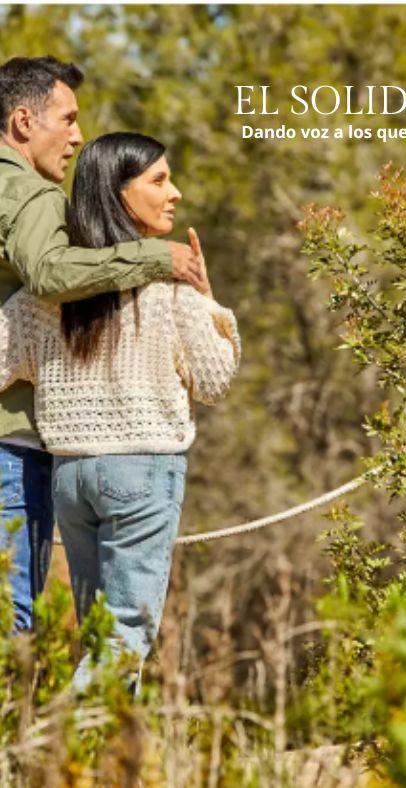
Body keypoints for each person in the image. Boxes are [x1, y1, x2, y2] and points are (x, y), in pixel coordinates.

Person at [0, 131, 240, 690]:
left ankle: (99, 771)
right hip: (142, 471)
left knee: (99, 632)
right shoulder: (168, 291)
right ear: (118, 194)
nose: (174, 193)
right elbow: (214, 380)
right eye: (159, 180)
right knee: (122, 638)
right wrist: (207, 296)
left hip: (69, 477)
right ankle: (63, 756)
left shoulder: (45, 297)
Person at [0, 55, 207, 632]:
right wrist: (156, 258)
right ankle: (72, 724)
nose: (77, 136)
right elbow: (48, 272)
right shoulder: (34, 197)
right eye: (66, 119)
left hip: (61, 466)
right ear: (23, 121)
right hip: (13, 448)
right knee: (16, 619)